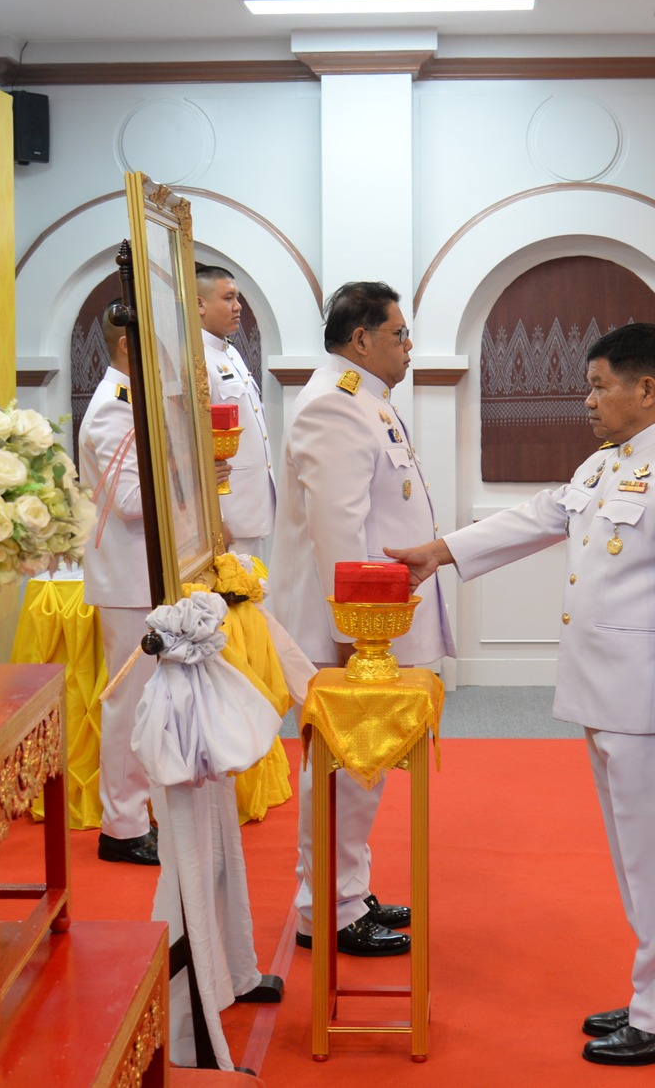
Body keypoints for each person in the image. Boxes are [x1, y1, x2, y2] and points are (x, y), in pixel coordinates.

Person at [390, 322, 655, 1067]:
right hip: (608, 695)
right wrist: (443, 550)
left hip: (652, 708)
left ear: (648, 390)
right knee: (636, 858)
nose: (588, 399)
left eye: (601, 385)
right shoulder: (612, 461)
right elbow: (545, 513)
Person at [269, 281, 451, 957]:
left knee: (363, 768)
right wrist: (358, 639)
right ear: (360, 339)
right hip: (349, 630)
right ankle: (330, 908)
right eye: (399, 333)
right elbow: (339, 533)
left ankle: (351, 886)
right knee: (345, 767)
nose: (409, 345)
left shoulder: (365, 402)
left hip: (371, 626)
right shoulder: (334, 407)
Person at [77, 316, 159, 865]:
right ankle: (122, 827)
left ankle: (139, 812)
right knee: (129, 704)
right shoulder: (113, 405)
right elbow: (132, 501)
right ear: (128, 344)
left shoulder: (137, 399)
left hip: (145, 575)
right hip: (129, 578)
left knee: (149, 701)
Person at [198, 264, 277, 562]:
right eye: (229, 298)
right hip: (227, 513)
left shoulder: (229, 352)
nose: (238, 306)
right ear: (199, 304)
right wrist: (212, 519)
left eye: (238, 297)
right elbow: (194, 445)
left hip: (249, 505)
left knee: (254, 600)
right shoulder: (194, 360)